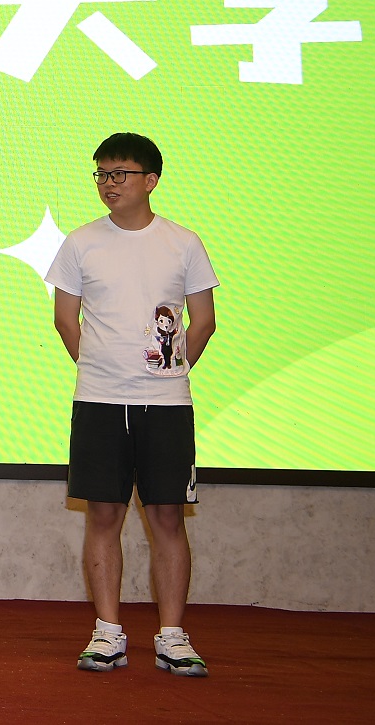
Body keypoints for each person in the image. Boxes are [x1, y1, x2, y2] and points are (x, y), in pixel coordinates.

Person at [49, 133, 219, 678]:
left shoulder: (183, 242)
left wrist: (170, 371)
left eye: (119, 173)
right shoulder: (80, 243)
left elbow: (204, 321)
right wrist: (102, 369)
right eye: (101, 173)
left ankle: (172, 636)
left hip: (166, 404)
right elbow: (65, 320)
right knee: (103, 514)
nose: (108, 183)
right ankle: (107, 632)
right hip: (99, 401)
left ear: (150, 180)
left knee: (167, 516)